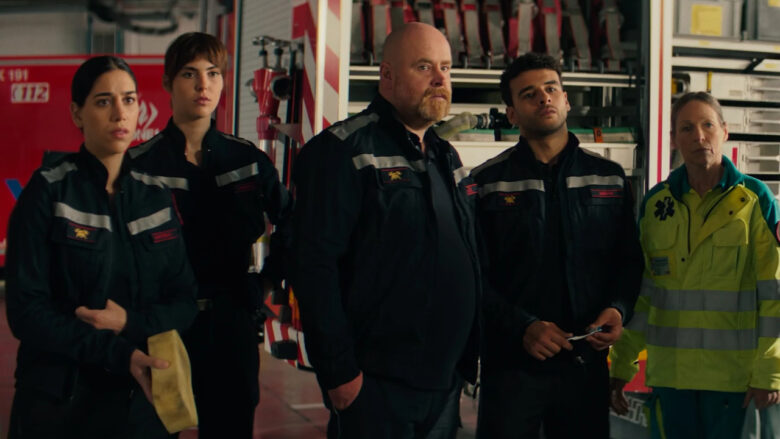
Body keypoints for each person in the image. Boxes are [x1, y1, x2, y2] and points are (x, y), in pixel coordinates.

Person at [290, 22, 479, 439]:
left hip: (444, 382)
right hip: (375, 386)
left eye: (446, 68)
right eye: (424, 67)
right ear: (388, 75)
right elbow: (313, 268)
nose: (440, 79)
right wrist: (340, 373)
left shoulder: (445, 155)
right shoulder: (342, 151)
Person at [5, 56, 198, 439]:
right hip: (62, 404)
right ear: (77, 113)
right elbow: (26, 312)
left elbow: (184, 301)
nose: (119, 113)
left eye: (129, 100)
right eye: (103, 101)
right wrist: (119, 354)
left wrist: (129, 324)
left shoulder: (155, 197)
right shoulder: (49, 192)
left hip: (142, 409)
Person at [470, 52, 643, 438]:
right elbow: (472, 275)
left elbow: (629, 261)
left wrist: (618, 309)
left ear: (566, 100)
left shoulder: (609, 177)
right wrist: (522, 326)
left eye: (551, 89)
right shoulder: (486, 183)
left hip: (585, 364)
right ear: (512, 114)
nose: (543, 98)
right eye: (528, 94)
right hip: (512, 366)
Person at [129, 32, 292, 438]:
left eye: (213, 73)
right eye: (190, 74)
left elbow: (295, 224)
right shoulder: (140, 166)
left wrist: (267, 282)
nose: (203, 85)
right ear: (168, 82)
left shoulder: (247, 160)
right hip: (163, 328)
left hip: (231, 324)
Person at [609, 91, 780, 439]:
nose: (699, 136)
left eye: (707, 125)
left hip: (735, 383)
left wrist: (770, 370)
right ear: (674, 139)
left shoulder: (755, 199)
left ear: (724, 131)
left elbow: (774, 294)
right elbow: (644, 293)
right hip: (672, 382)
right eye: (687, 128)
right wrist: (622, 364)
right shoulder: (657, 204)